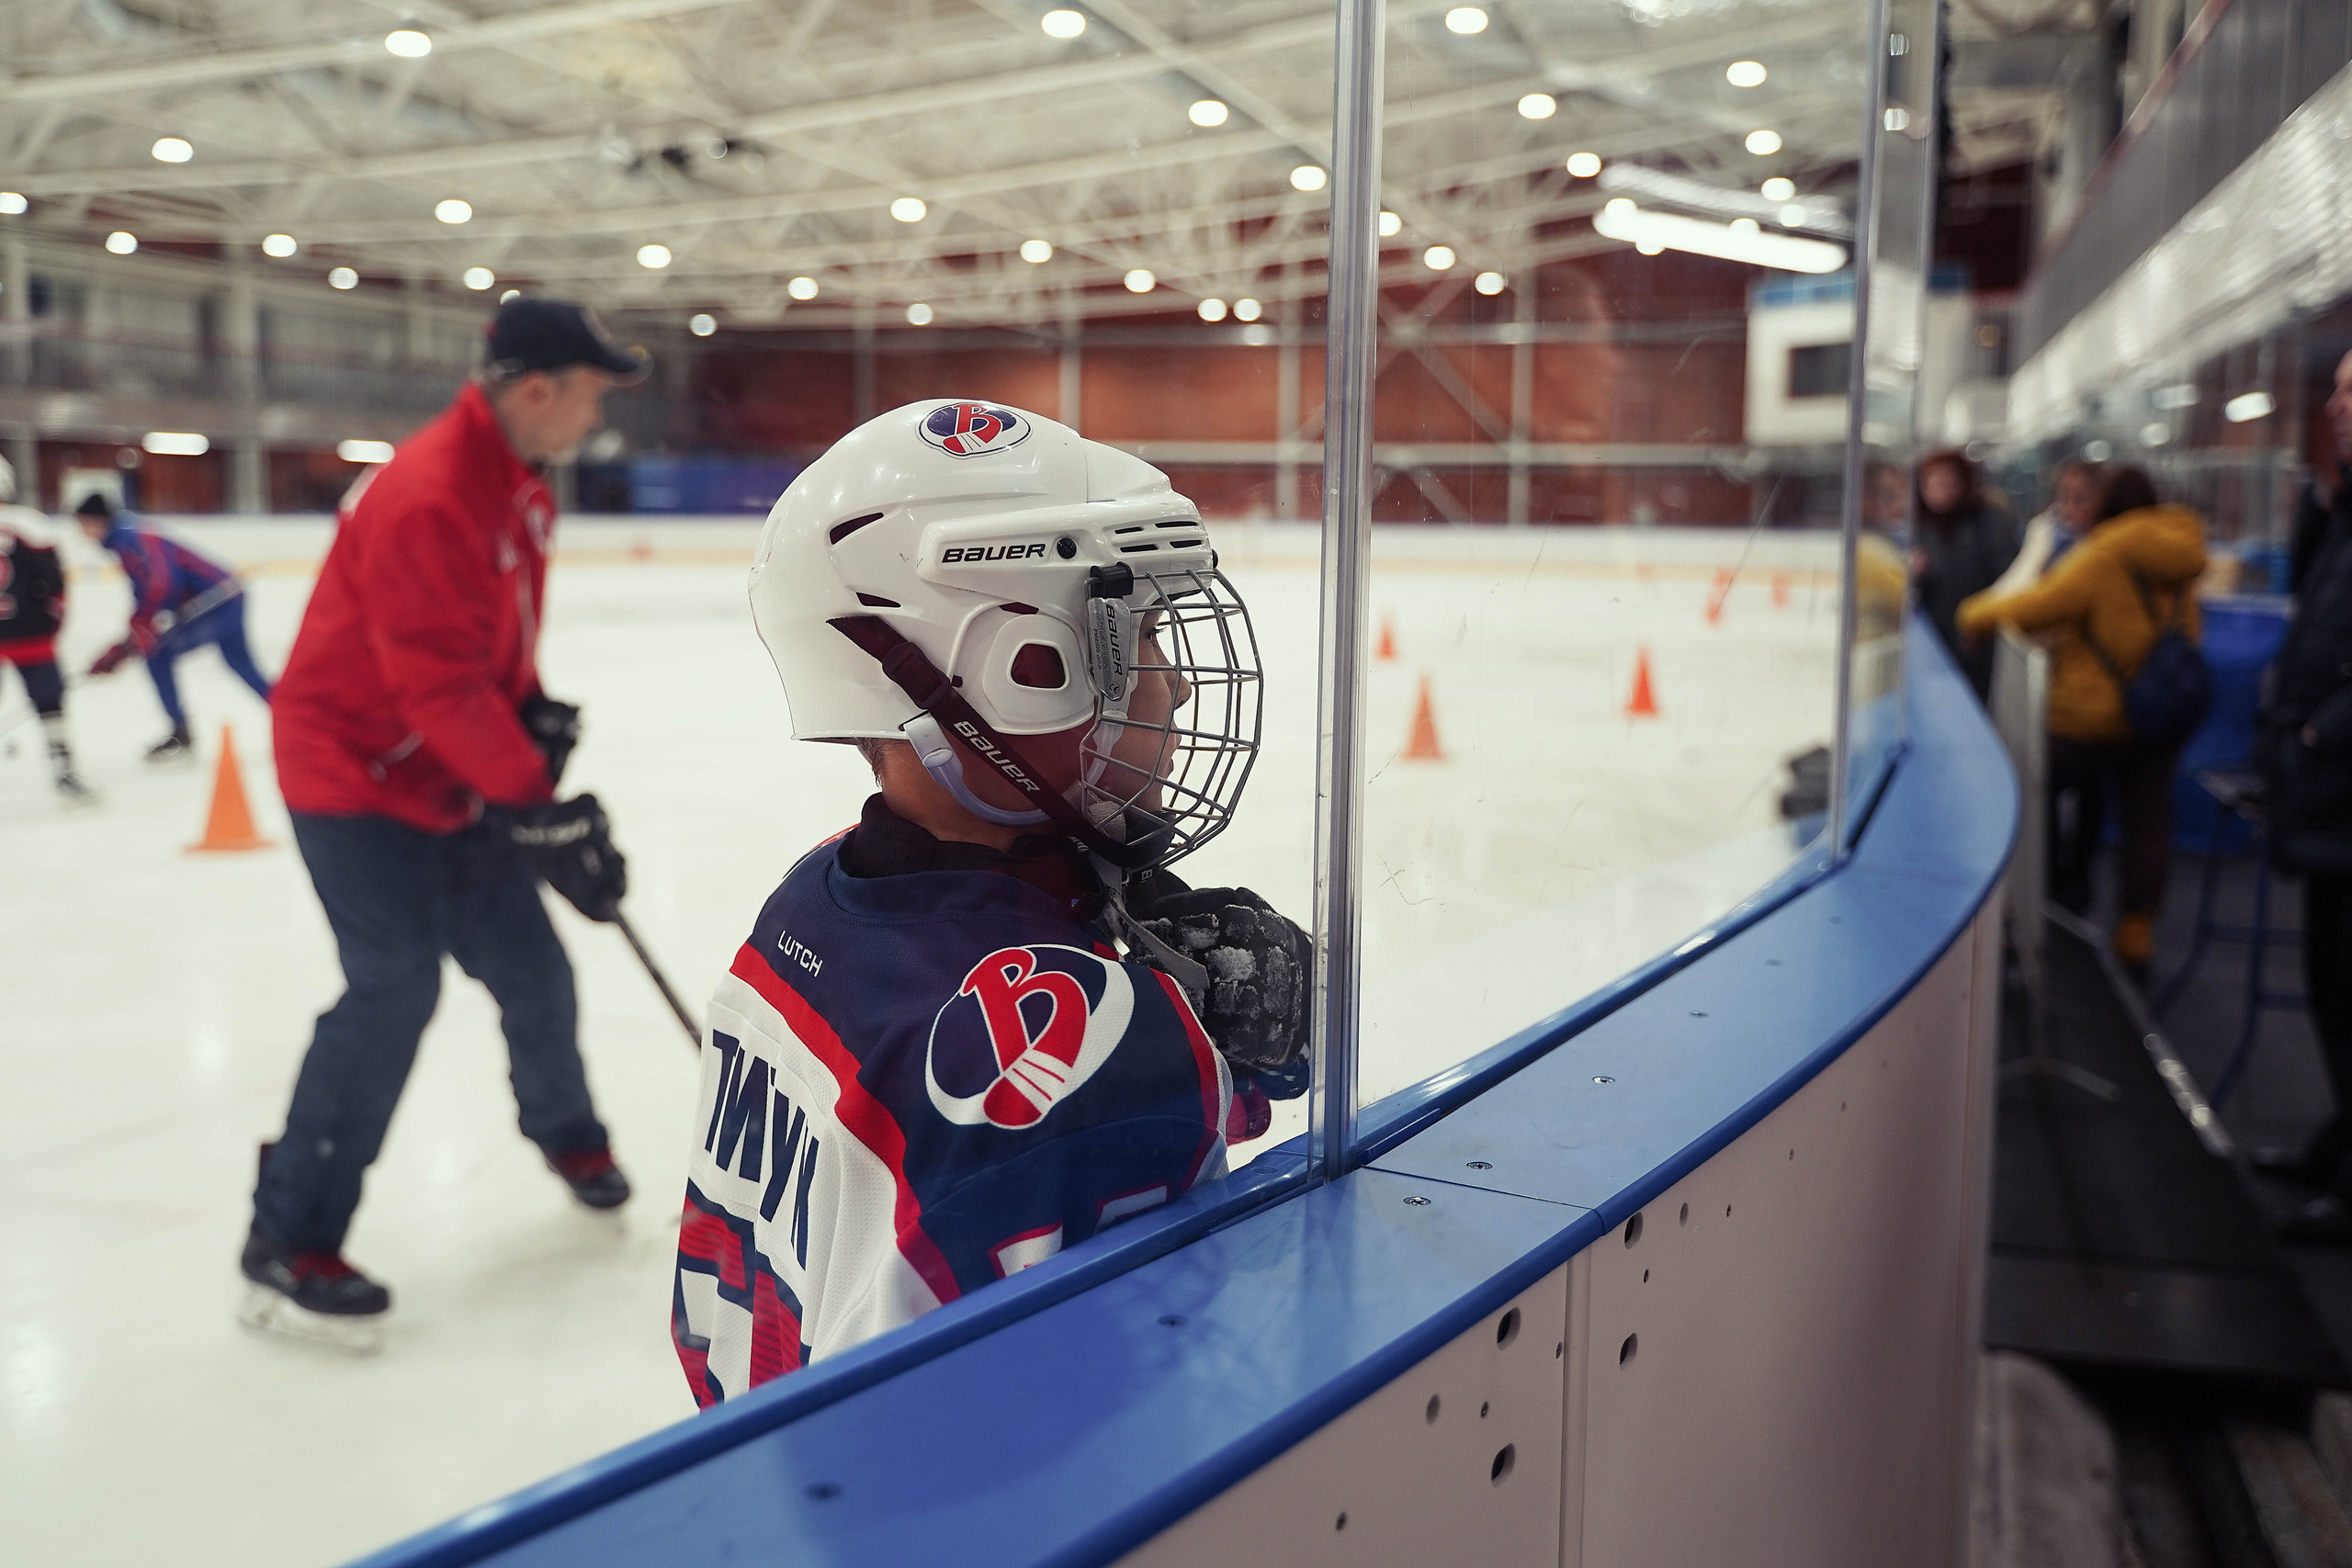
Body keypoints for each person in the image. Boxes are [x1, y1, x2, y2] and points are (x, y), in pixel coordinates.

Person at [671, 400, 1310, 1404]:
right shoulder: (1099, 1042)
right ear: (1015, 671)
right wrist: (1182, 1059)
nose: (1176, 689)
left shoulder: (814, 895)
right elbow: (1163, 1376)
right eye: (1139, 640)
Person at [241, 299, 649, 1349]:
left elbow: (482, 655)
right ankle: (289, 1232)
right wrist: (539, 804)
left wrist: (529, 717)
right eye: (593, 394)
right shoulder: (430, 492)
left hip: (448, 776)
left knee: (534, 967)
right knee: (394, 985)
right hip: (352, 775)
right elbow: (434, 687)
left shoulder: (519, 487)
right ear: (538, 388)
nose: (596, 416)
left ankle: (566, 1135)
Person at [1957, 467, 2209, 973]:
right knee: (2148, 823)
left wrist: (1971, 616)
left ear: (2105, 507)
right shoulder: (2182, 557)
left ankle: (2034, 907)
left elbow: (2035, 606)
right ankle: (2136, 932)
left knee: (2027, 785)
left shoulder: (2102, 556)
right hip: (2160, 715)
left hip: (2090, 720)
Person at [2251, 348, 2352, 1242]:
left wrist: (2327, 728)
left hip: (2341, 781)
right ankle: (2340, 1140)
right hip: (2326, 799)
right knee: (2327, 978)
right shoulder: (2340, 507)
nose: (2333, 405)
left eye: (2349, 391)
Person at [75, 492, 274, 761]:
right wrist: (136, 630)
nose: (82, 533)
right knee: (240, 665)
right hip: (225, 598)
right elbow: (148, 587)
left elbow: (162, 582)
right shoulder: (125, 537)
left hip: (218, 602)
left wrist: (142, 624)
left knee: (159, 653)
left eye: (83, 524)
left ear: (97, 520)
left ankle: (181, 733)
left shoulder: (132, 537)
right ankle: (296, 719)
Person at [0, 457, 96, 803]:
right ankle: (65, 771)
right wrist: (52, 627)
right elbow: (54, 587)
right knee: (50, 705)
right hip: (31, 636)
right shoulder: (30, 525)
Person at [1911, 449, 2023, 699]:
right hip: (1932, 642)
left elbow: (2008, 577)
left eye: (1946, 481)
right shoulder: (1920, 527)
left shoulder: (1988, 521)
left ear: (1963, 484)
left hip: (1976, 639)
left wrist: (1982, 620)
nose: (1938, 489)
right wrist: (1916, 574)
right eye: (1930, 482)